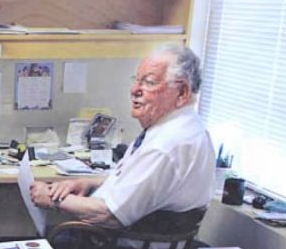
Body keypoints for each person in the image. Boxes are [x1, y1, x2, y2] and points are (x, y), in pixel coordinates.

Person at [30, 44, 214, 229]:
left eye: (149, 82)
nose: (135, 90)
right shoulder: (187, 128)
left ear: (182, 92)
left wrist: (53, 199)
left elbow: (108, 213)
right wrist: (87, 182)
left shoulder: (166, 145)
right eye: (137, 80)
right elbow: (135, 185)